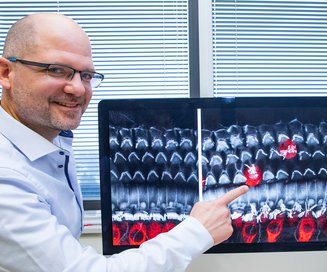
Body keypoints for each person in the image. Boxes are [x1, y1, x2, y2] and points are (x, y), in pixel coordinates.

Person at [0, 13, 249, 272]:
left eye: (86, 75)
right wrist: (198, 231)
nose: (78, 89)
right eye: (56, 70)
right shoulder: (6, 178)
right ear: (6, 73)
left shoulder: (48, 139)